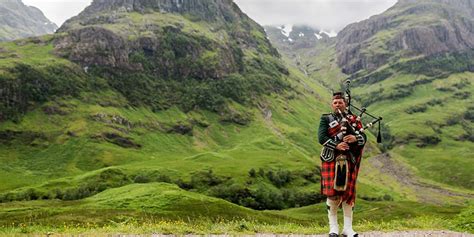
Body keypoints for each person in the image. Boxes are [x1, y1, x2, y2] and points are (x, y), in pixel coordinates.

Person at [318, 92, 367, 237]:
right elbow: (321, 137)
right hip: (332, 158)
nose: (338, 105)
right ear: (332, 105)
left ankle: (348, 229)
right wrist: (337, 145)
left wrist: (355, 138)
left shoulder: (353, 119)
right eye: (335, 103)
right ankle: (333, 228)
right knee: (332, 194)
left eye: (340, 102)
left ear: (345, 104)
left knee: (348, 194)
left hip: (349, 159)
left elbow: (363, 137)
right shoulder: (326, 119)